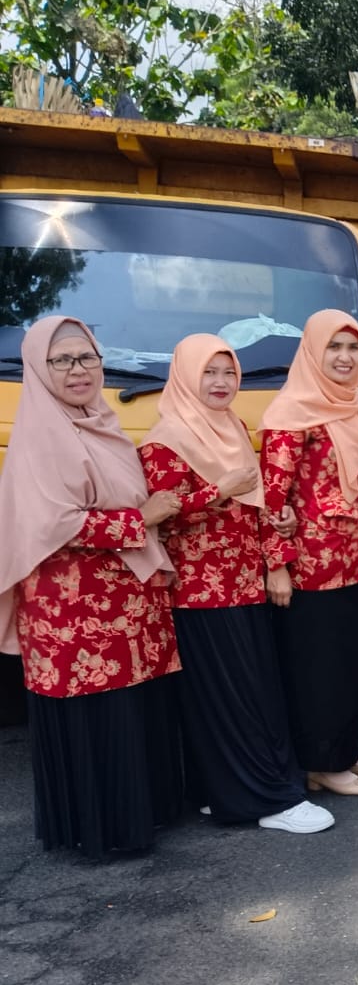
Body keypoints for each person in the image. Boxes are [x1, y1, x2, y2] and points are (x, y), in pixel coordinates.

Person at [0, 318, 184, 858]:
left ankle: (142, 815)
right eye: (62, 361)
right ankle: (104, 830)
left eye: (87, 358)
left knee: (130, 710)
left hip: (124, 600)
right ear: (39, 368)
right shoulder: (39, 433)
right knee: (95, 714)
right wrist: (141, 518)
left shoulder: (97, 422)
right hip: (72, 607)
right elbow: (54, 523)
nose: (78, 371)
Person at [140, 334, 333, 834]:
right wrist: (217, 489)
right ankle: (265, 800)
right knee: (232, 697)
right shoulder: (165, 440)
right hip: (201, 593)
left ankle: (220, 792)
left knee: (249, 691)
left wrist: (278, 547)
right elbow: (162, 520)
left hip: (244, 583)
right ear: (185, 376)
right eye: (209, 372)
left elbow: (259, 504)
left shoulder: (232, 427)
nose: (221, 383)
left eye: (228, 372)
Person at [260, 310, 358, 796]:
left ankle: (344, 751)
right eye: (333, 347)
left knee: (350, 661)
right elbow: (272, 499)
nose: (344, 357)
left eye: (353, 348)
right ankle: (319, 763)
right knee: (316, 667)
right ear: (314, 353)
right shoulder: (291, 414)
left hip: (355, 559)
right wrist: (276, 565)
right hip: (310, 567)